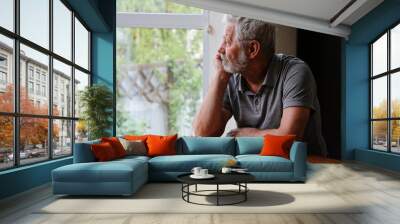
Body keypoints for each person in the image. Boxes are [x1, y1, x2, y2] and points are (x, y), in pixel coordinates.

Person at [193, 15, 327, 156]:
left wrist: (249, 135)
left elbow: (289, 138)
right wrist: (220, 76)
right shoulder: (231, 76)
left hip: (307, 167)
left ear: (252, 49)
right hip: (255, 167)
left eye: (227, 41)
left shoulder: (295, 72)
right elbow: (203, 133)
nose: (220, 49)